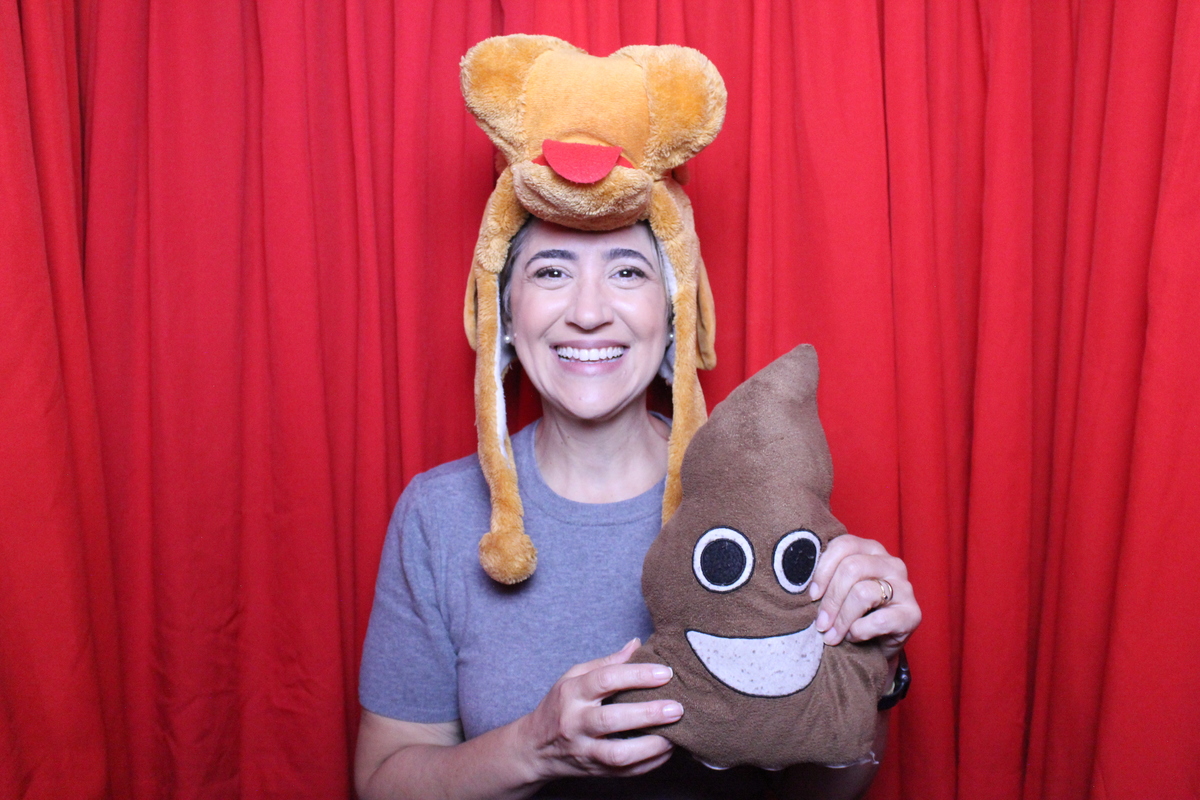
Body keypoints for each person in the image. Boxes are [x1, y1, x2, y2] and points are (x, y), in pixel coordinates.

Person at [354, 218, 921, 800]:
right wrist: (532, 748)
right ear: (504, 312)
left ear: (674, 311)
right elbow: (380, 782)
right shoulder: (439, 514)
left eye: (628, 272)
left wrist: (875, 663)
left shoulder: (761, 494)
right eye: (551, 272)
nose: (589, 312)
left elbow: (825, 791)